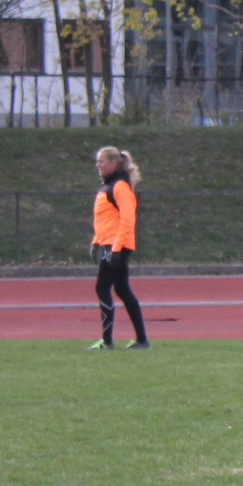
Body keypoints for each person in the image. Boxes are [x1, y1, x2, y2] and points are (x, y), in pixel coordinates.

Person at [89, 146, 148, 350]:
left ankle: (107, 341)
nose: (98, 165)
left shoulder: (120, 186)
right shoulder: (109, 186)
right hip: (109, 243)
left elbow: (127, 219)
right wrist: (97, 241)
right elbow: (105, 219)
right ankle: (142, 340)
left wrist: (115, 248)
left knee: (102, 287)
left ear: (114, 163)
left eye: (102, 161)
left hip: (116, 244)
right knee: (122, 290)